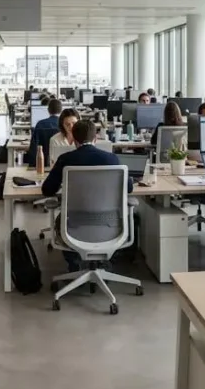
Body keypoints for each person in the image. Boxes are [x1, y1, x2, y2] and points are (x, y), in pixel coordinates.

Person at [42, 119, 133, 272]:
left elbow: (47, 190)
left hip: (74, 226)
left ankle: (74, 264)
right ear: (95, 138)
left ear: (74, 139)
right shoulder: (112, 159)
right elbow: (129, 188)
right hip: (109, 225)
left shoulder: (65, 159)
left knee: (60, 219)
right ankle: (105, 261)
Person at [27, 98, 63, 168]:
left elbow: (33, 148)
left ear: (48, 110)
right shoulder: (64, 124)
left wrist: (32, 166)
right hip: (61, 164)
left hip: (42, 164)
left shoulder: (40, 124)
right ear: (61, 110)